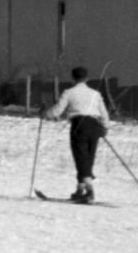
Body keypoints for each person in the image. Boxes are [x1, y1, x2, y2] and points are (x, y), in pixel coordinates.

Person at [44, 66, 110, 204]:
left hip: (79, 125)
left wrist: (45, 114)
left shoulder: (69, 92)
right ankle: (80, 190)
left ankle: (89, 191)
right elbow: (104, 113)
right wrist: (104, 127)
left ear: (73, 78)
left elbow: (57, 111)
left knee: (81, 157)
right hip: (95, 126)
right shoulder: (95, 94)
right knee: (88, 158)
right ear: (87, 78)